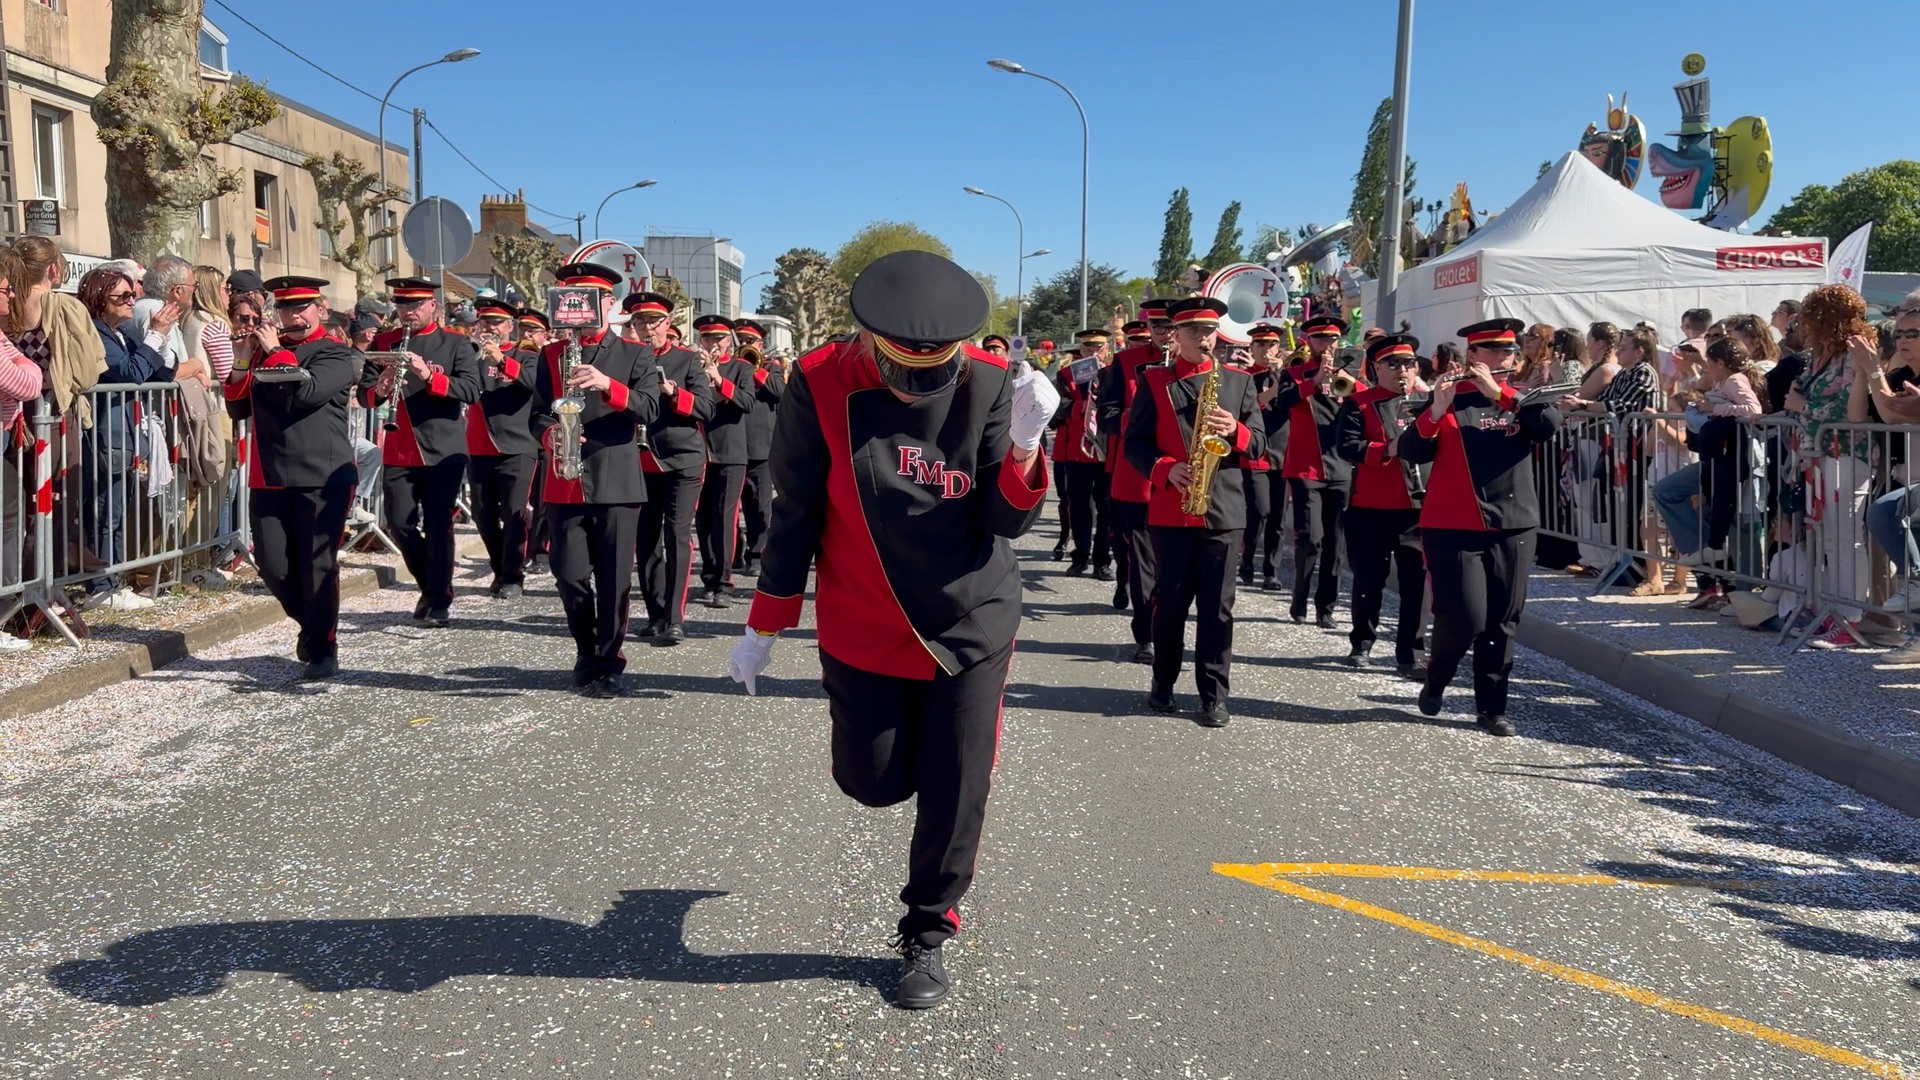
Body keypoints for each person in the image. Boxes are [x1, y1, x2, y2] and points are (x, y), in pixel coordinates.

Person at [725, 250, 1056, 1009]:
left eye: (933, 370)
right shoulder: (816, 379)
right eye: (904, 369)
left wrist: (1031, 448)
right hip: (865, 617)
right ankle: (899, 784)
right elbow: (798, 509)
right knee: (871, 782)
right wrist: (766, 622)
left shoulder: (989, 378)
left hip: (970, 616)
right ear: (870, 339)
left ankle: (928, 930)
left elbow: (1006, 521)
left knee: (958, 784)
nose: (919, 384)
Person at [1400, 319, 1563, 736]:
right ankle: (1437, 677)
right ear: (1473, 355)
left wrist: (1502, 394)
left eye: (1509, 351)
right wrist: (1435, 410)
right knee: (1465, 617)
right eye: (1493, 350)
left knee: (1503, 620)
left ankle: (1491, 709)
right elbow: (1412, 452)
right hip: (1453, 523)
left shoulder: (1521, 398)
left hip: (1514, 523)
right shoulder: (1449, 397)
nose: (1505, 357)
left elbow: (1547, 427)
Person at [1122, 296, 1265, 728]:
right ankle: (1162, 683)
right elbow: (1134, 444)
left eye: (1208, 332)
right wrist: (1167, 468)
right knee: (1171, 603)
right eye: (1193, 332)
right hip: (1173, 508)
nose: (1202, 339)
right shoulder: (1153, 381)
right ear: (1176, 335)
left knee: (1219, 609)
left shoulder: (1239, 382)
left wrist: (1236, 431)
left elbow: (1259, 445)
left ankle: (1213, 695)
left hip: (1223, 509)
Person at [534, 264, 663, 696]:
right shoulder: (550, 355)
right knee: (569, 576)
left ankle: (609, 661)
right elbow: (536, 412)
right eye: (572, 297)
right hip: (564, 480)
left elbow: (648, 409)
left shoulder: (635, 353)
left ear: (609, 303)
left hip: (616, 479)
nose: (579, 306)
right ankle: (585, 650)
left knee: (613, 579)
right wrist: (550, 433)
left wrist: (608, 384)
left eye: (589, 298)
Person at [223, 276, 361, 679]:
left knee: (318, 564)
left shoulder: (335, 353)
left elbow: (306, 393)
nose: (293, 316)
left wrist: (276, 351)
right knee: (272, 564)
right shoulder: (269, 352)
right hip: (270, 474)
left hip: (323, 474)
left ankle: (323, 646)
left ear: (320, 309)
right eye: (285, 309)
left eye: (301, 308)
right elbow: (237, 407)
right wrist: (242, 359)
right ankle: (312, 625)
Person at [361, 277, 481, 627]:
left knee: (440, 524)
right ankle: (429, 587)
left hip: (444, 450)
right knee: (399, 524)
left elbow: (471, 391)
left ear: (432, 306)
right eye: (401, 305)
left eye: (414, 305)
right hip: (399, 449)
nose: (407, 312)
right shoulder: (384, 342)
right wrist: (380, 389)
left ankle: (440, 598)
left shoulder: (456, 344)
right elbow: (365, 395)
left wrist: (427, 374)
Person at [1333, 334, 1427, 676]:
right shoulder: (1360, 402)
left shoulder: (1430, 401)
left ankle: (1410, 653)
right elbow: (1346, 446)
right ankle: (1362, 643)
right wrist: (1386, 449)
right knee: (1369, 580)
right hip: (1370, 507)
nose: (1402, 371)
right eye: (1393, 364)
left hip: (1417, 509)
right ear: (1375, 368)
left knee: (1416, 584)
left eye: (1408, 364)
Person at [81, 266, 173, 612]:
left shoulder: (125, 333)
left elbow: (163, 371)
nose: (130, 301)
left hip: (128, 435)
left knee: (118, 511)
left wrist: (160, 336)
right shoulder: (99, 334)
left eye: (131, 295)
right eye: (122, 296)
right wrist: (153, 338)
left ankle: (115, 580)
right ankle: (101, 586)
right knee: (105, 510)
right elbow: (132, 372)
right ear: (100, 300)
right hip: (105, 433)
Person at [632, 292, 713, 645]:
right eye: (640, 322)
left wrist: (673, 392)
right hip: (641, 459)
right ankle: (655, 613)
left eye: (654, 321)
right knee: (645, 539)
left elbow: (707, 409)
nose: (647, 328)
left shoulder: (687, 360)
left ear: (667, 324)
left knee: (676, 534)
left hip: (683, 458)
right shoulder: (629, 358)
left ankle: (675, 618)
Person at [1271, 314, 1362, 627]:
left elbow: (1366, 406)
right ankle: (1300, 598)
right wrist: (1314, 381)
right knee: (1310, 538)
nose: (1328, 345)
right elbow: (1282, 403)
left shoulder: (1350, 376)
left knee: (1335, 543)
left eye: (1333, 339)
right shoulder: (1293, 373)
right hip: (1305, 467)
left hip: (1340, 468)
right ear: (1308, 341)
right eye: (1322, 339)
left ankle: (1326, 607)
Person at [1098, 300, 1172, 659]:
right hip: (1136, 477)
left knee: (1172, 565)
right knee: (1143, 559)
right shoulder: (1125, 362)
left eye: (1175, 327)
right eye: (1159, 326)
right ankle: (1147, 634)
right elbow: (1107, 414)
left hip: (1184, 480)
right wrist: (1136, 419)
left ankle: (1170, 628)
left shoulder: (1209, 368)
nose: (1167, 334)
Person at [464, 298, 541, 598]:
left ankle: (512, 575)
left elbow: (532, 383)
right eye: (485, 322)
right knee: (482, 514)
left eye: (497, 323)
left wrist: (500, 360)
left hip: (517, 445)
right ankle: (500, 568)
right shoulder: (473, 356)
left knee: (514, 512)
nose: (490, 328)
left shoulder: (526, 354)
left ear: (511, 326)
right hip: (480, 446)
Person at [693, 315, 755, 608]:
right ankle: (708, 577)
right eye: (707, 338)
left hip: (730, 452)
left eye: (718, 338)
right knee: (703, 519)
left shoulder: (741, 367)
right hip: (697, 452)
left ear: (729, 340)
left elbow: (747, 403)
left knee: (724, 518)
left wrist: (718, 379)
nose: (714, 343)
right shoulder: (692, 366)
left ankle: (724, 580)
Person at [1050, 328, 1113, 579]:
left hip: (1106, 451)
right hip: (1077, 451)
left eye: (1098, 348)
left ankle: (1102, 561)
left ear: (1107, 349)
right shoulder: (1066, 375)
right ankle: (1080, 556)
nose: (1093, 353)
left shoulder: (1113, 373)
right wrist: (1080, 407)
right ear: (1081, 350)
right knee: (1079, 506)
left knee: (1106, 508)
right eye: (1088, 348)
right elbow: (1057, 409)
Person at [1237, 323, 1286, 587]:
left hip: (1282, 452)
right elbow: (1258, 402)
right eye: (1262, 345)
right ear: (1252, 347)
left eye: (1272, 345)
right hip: (1255, 452)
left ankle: (1271, 570)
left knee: (1278, 517)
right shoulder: (1244, 377)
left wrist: (1280, 373)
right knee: (1259, 512)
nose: (1267, 350)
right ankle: (1246, 559)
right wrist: (1276, 377)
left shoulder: (1286, 375)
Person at [734, 319, 783, 578]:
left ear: (761, 345)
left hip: (761, 447)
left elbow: (781, 393)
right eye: (740, 340)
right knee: (728, 509)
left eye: (749, 341)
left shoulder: (770, 368)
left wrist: (755, 370)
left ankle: (757, 554)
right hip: (731, 444)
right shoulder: (728, 367)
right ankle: (734, 553)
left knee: (759, 506)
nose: (744, 345)